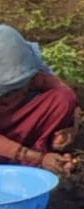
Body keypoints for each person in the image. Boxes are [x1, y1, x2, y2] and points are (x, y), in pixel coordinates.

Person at [0, 25, 78, 174]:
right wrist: (38, 158)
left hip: (17, 124)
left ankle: (37, 149)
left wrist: (73, 127)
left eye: (17, 88)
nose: (12, 95)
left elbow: (62, 90)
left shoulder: (25, 63)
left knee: (63, 99)